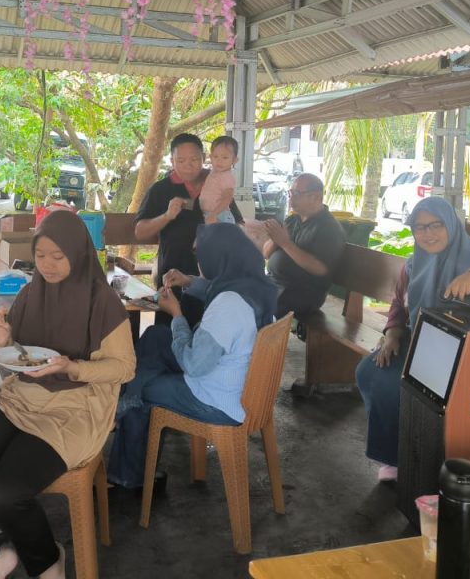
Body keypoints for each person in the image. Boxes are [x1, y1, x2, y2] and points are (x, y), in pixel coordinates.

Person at [0, 210, 135, 579]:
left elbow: (124, 368)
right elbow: (17, 365)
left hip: (75, 411)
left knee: (5, 495)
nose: (47, 265)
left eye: (58, 256)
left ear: (78, 253)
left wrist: (73, 368)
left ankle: (48, 561)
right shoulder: (30, 293)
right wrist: (0, 341)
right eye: (40, 255)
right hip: (21, 401)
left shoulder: (103, 302)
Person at [354, 197, 470, 482]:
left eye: (436, 225)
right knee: (368, 371)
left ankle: (406, 458)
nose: (428, 233)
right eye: (420, 227)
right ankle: (396, 450)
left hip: (460, 350)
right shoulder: (414, 262)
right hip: (418, 340)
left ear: (451, 225)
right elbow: (399, 303)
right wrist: (392, 333)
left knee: (392, 384)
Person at [107, 223, 278, 489]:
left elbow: (193, 365)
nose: (198, 261)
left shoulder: (228, 305)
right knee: (156, 336)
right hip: (237, 379)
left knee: (143, 386)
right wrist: (188, 281)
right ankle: (125, 404)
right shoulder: (254, 285)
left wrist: (176, 314)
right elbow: (214, 289)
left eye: (200, 254)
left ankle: (127, 473)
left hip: (214, 397)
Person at [135, 133, 242, 326]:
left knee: (209, 331)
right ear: (172, 161)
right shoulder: (160, 190)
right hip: (172, 278)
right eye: (181, 160)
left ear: (204, 157)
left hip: (212, 280)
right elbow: (140, 232)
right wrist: (167, 216)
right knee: (170, 333)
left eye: (194, 159)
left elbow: (237, 222)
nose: (188, 166)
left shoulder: (217, 182)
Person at [261, 174, 346, 317]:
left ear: (316, 197)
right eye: (291, 192)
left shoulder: (329, 228)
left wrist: (285, 243)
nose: (291, 198)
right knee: (238, 293)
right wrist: (276, 238)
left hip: (301, 293)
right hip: (275, 284)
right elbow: (266, 253)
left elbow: (320, 268)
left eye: (297, 193)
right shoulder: (292, 220)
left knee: (255, 307)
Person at [199, 135, 238, 224]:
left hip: (220, 215)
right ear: (211, 157)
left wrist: (214, 214)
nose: (219, 161)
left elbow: (227, 198)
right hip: (209, 214)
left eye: (225, 157)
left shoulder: (226, 177)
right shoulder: (214, 172)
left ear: (234, 160)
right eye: (215, 156)